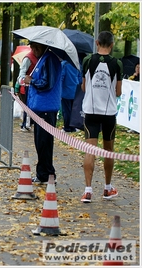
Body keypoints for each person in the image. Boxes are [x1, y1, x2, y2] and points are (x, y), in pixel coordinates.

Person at [80, 31, 123, 203]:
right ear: (112, 45)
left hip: (90, 111)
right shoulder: (117, 63)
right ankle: (107, 188)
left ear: (97, 42)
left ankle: (88, 190)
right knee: (108, 151)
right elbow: (118, 92)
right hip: (109, 113)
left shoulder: (87, 61)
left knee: (90, 150)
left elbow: (83, 87)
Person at [23, 42, 62, 185]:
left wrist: (32, 81)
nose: (33, 50)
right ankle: (42, 173)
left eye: (36, 47)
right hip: (40, 106)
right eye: (32, 47)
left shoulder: (50, 59)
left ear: (43, 46)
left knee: (44, 142)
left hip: (46, 107)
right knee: (40, 142)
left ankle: (47, 173)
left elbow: (47, 83)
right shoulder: (44, 58)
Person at [14, 46, 38, 131]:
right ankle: (25, 124)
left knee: (31, 106)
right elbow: (21, 74)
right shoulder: (28, 58)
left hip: (34, 87)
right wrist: (20, 85)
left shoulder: (39, 57)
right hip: (26, 87)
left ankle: (29, 123)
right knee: (27, 107)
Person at [60, 60, 82, 132]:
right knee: (74, 110)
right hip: (75, 91)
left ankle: (67, 127)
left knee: (66, 111)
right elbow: (79, 78)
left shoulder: (64, 64)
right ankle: (73, 126)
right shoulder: (77, 64)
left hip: (66, 91)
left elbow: (61, 78)